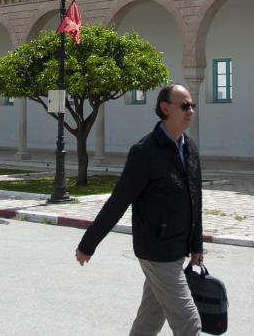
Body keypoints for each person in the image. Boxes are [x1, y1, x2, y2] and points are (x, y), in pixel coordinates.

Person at [75, 83, 204, 336]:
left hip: (177, 248)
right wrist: (88, 244)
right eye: (185, 106)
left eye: (193, 106)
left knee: (149, 321)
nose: (191, 111)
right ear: (165, 108)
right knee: (190, 325)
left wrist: (196, 245)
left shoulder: (189, 148)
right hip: (157, 251)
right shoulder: (146, 152)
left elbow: (195, 199)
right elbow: (119, 201)